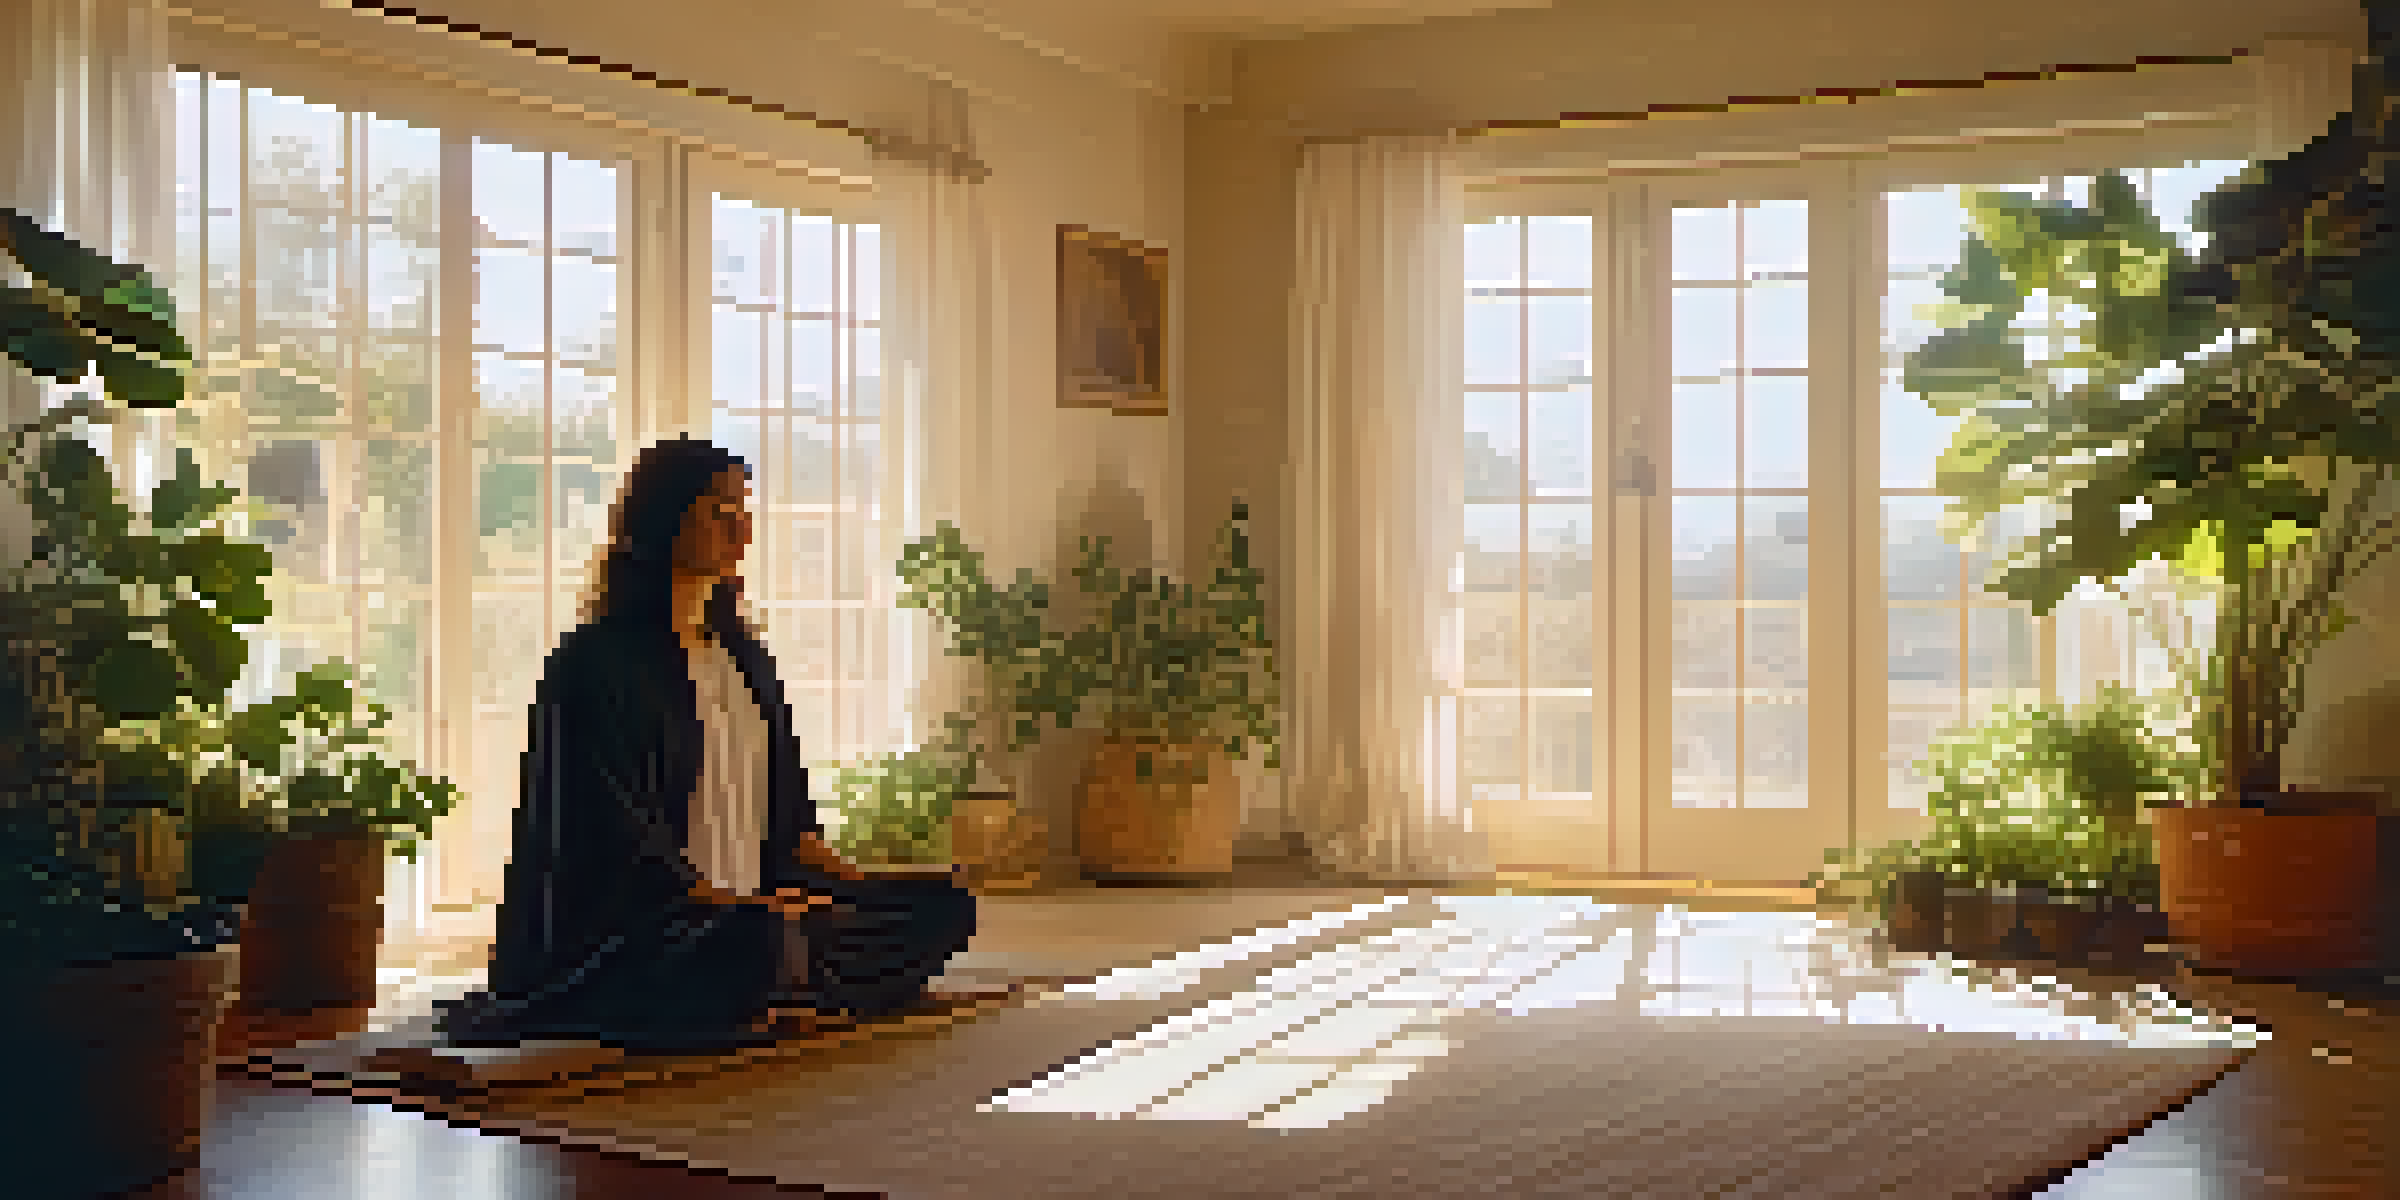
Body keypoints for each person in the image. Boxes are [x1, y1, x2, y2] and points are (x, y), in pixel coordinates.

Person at [434, 436, 978, 1054]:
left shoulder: (747, 663)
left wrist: (874, 887)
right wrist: (749, 909)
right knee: (760, 944)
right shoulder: (593, 664)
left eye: (743, 511)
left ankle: (781, 986)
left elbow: (795, 835)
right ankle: (783, 983)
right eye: (719, 510)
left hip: (757, 915)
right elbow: (613, 850)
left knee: (944, 907)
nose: (739, 529)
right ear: (664, 516)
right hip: (645, 934)